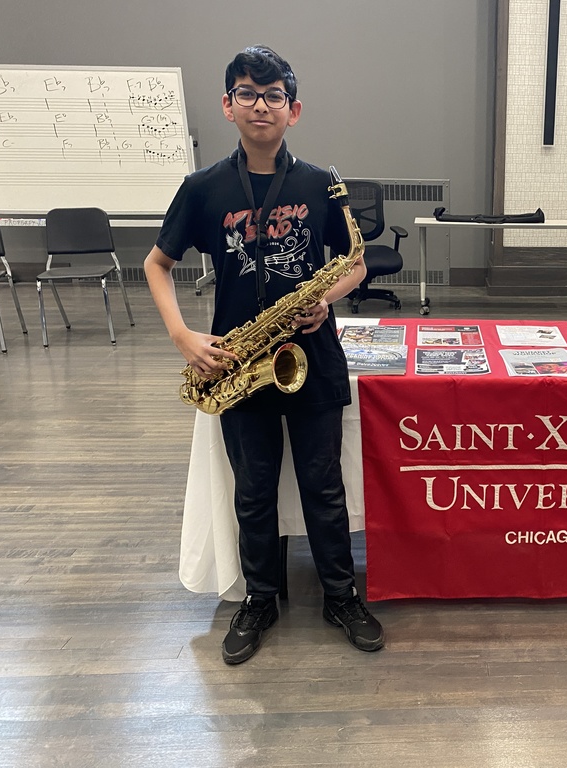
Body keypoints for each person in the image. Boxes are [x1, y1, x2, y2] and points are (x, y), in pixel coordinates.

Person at [144, 45, 384, 665]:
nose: (261, 105)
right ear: (228, 105)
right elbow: (156, 264)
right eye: (247, 93)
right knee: (252, 491)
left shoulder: (319, 183)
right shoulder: (202, 188)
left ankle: (340, 595)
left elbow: (355, 263)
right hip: (238, 361)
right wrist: (183, 337)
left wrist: (325, 298)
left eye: (274, 95)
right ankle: (259, 598)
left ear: (293, 109)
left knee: (323, 487)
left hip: (311, 356)